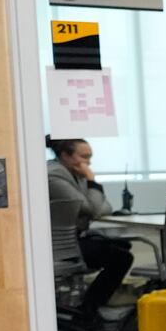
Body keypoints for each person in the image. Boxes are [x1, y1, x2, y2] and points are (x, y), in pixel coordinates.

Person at [47, 137, 133, 321]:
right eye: (84, 156)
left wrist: (91, 189)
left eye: (90, 157)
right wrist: (92, 181)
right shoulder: (53, 176)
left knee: (122, 247)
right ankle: (89, 309)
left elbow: (104, 208)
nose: (88, 162)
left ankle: (89, 307)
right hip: (56, 246)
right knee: (121, 259)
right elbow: (91, 208)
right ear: (65, 155)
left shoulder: (76, 174)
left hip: (75, 239)